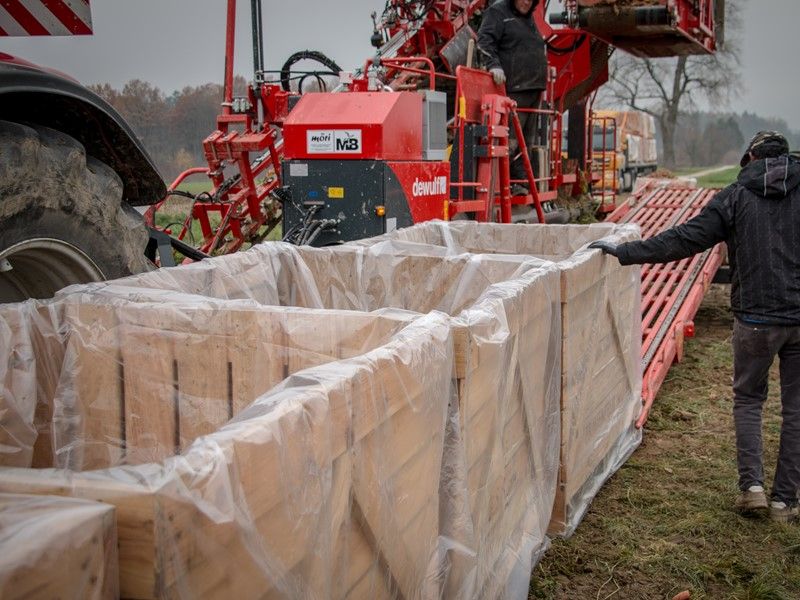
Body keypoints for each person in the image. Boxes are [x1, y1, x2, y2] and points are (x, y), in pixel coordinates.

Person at [590, 131, 800, 522]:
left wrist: (626, 252)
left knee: (749, 400)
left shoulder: (736, 196)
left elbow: (685, 239)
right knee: (796, 410)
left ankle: (752, 489)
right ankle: (785, 502)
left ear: (751, 159)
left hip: (754, 319)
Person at [477, 0, 547, 197]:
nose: (526, 2)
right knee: (512, 140)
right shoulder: (498, 12)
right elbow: (485, 40)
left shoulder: (528, 19)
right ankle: (506, 185)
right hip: (513, 90)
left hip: (533, 89)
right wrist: (493, 65)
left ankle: (520, 183)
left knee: (527, 141)